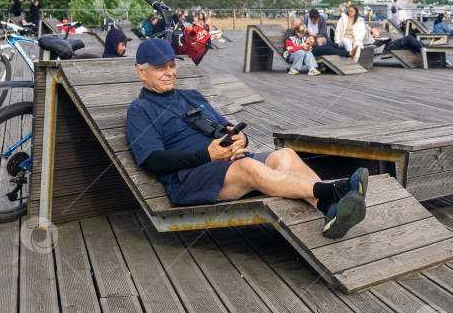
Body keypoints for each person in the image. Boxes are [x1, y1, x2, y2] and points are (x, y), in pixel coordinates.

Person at [126, 39, 366, 238]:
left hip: (229, 161)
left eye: (171, 65)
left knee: (286, 155)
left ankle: (329, 211)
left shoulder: (191, 96)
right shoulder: (141, 109)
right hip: (188, 178)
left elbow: (229, 128)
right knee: (250, 167)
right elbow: (153, 160)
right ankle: (337, 189)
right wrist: (206, 155)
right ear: (141, 71)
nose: (169, 72)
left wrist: (242, 139)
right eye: (160, 67)